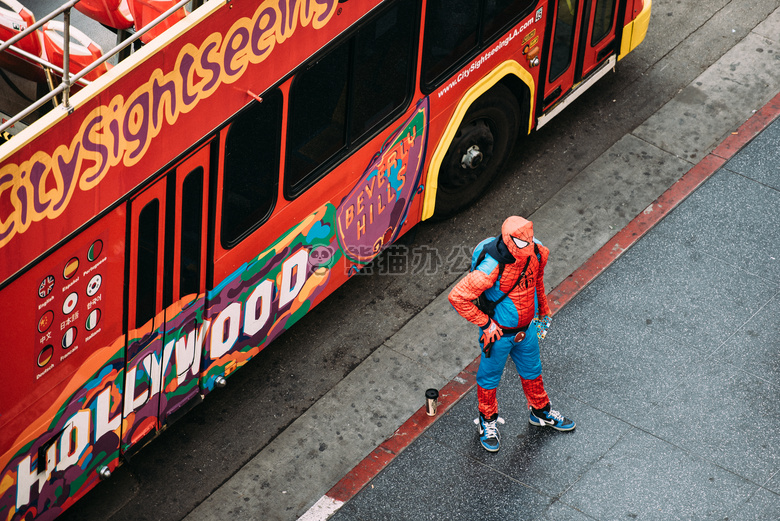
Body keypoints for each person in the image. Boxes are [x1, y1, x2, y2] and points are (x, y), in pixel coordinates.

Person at [448, 216, 575, 452]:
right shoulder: (491, 267)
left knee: (533, 372)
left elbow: (537, 283)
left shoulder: (537, 252)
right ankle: (487, 422)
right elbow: (457, 297)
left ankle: (540, 412)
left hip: (526, 331)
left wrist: (544, 310)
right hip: (498, 336)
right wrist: (485, 324)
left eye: (528, 240)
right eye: (521, 242)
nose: (526, 247)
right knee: (489, 380)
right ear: (508, 240)